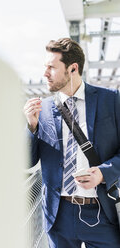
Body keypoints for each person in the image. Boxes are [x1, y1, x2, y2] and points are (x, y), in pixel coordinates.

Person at [24, 38, 120, 248]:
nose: (45, 73)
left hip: (103, 211)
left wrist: (104, 172)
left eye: (52, 67)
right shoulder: (44, 109)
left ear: (73, 68)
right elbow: (27, 162)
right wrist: (31, 127)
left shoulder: (112, 100)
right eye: (45, 67)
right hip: (59, 216)